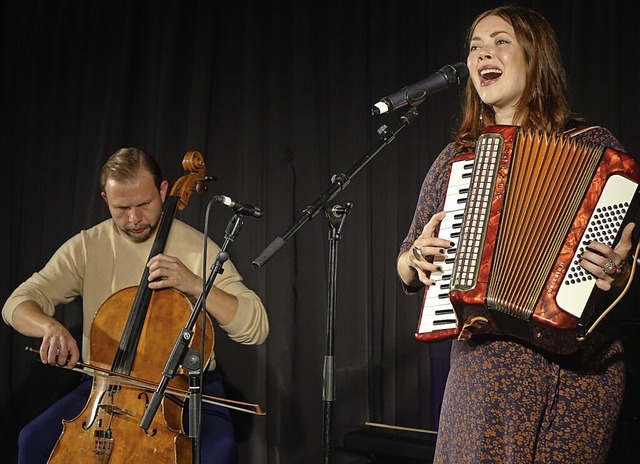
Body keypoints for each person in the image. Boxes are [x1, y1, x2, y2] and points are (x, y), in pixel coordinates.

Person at [397, 5, 635, 463]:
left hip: (576, 375)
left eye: (501, 41)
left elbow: (624, 265)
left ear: (535, 56)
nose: (484, 53)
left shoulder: (594, 147)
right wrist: (416, 260)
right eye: (475, 47)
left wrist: (619, 270)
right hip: (483, 372)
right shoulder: (456, 160)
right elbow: (406, 261)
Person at [2, 147, 269, 463]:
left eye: (144, 204)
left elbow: (256, 327)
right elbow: (17, 302)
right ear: (105, 200)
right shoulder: (88, 246)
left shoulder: (198, 249)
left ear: (164, 190)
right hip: (105, 386)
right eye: (122, 208)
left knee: (219, 453)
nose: (134, 218)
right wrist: (48, 326)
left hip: (185, 389)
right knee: (32, 440)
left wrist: (196, 284)